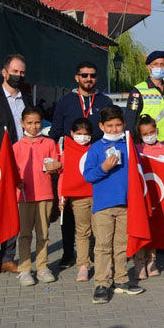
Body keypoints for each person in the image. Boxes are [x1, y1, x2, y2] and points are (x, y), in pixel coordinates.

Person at [49, 61, 114, 270]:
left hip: (97, 162)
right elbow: (56, 130)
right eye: (84, 75)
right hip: (71, 161)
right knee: (69, 212)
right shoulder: (65, 101)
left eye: (92, 75)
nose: (88, 79)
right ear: (77, 77)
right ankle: (69, 253)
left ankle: (96, 252)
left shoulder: (104, 100)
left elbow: (112, 129)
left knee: (96, 209)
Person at [83, 105, 145, 304]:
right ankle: (101, 283)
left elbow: (139, 171)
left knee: (121, 245)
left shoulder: (129, 146)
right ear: (101, 125)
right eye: (109, 126)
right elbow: (88, 175)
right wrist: (104, 167)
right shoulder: (95, 148)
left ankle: (121, 280)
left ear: (124, 125)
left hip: (126, 205)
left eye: (118, 125)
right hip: (103, 206)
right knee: (102, 246)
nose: (114, 129)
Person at [0, 54, 33, 276]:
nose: (19, 76)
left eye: (22, 72)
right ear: (4, 72)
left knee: (14, 212)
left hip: (22, 164)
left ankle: (7, 258)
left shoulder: (26, 99)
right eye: (15, 72)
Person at [13, 106, 61, 286]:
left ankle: (42, 267)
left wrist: (57, 164)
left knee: (43, 233)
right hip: (24, 197)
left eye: (37, 123)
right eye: (30, 123)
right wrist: (16, 182)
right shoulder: (16, 147)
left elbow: (57, 163)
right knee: (25, 234)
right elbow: (12, 172)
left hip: (45, 194)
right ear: (22, 123)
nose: (34, 126)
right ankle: (24, 269)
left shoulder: (49, 143)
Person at [59, 118, 95, 282]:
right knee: (82, 232)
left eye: (86, 134)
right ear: (72, 134)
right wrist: (62, 195)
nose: (82, 137)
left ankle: (105, 265)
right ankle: (83, 265)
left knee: (100, 232)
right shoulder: (67, 152)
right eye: (79, 134)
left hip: (97, 195)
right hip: (77, 198)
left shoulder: (96, 149)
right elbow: (63, 175)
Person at [133, 115, 164, 280]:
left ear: (157, 131)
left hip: (159, 196)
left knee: (154, 228)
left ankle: (151, 260)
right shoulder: (136, 149)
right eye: (145, 134)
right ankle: (139, 262)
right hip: (141, 197)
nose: (149, 136)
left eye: (152, 132)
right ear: (140, 135)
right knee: (141, 229)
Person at [125, 51, 164, 142]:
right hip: (149, 144)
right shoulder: (138, 91)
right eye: (156, 64)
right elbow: (130, 121)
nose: (159, 67)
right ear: (148, 67)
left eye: (162, 64)